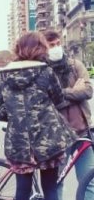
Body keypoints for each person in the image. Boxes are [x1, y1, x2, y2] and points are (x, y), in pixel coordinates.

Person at [0, 32, 77, 200]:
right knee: (50, 189)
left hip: (18, 142)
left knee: (22, 191)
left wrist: (16, 115)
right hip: (47, 139)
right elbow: (59, 100)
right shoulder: (46, 72)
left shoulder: (3, 76)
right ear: (41, 48)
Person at [43, 30, 94, 200]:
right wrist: (73, 92)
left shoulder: (75, 65)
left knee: (89, 181)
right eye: (52, 45)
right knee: (56, 182)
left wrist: (61, 94)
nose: (56, 47)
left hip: (81, 133)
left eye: (58, 43)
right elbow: (48, 101)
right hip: (58, 138)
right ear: (45, 47)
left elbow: (87, 91)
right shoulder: (43, 70)